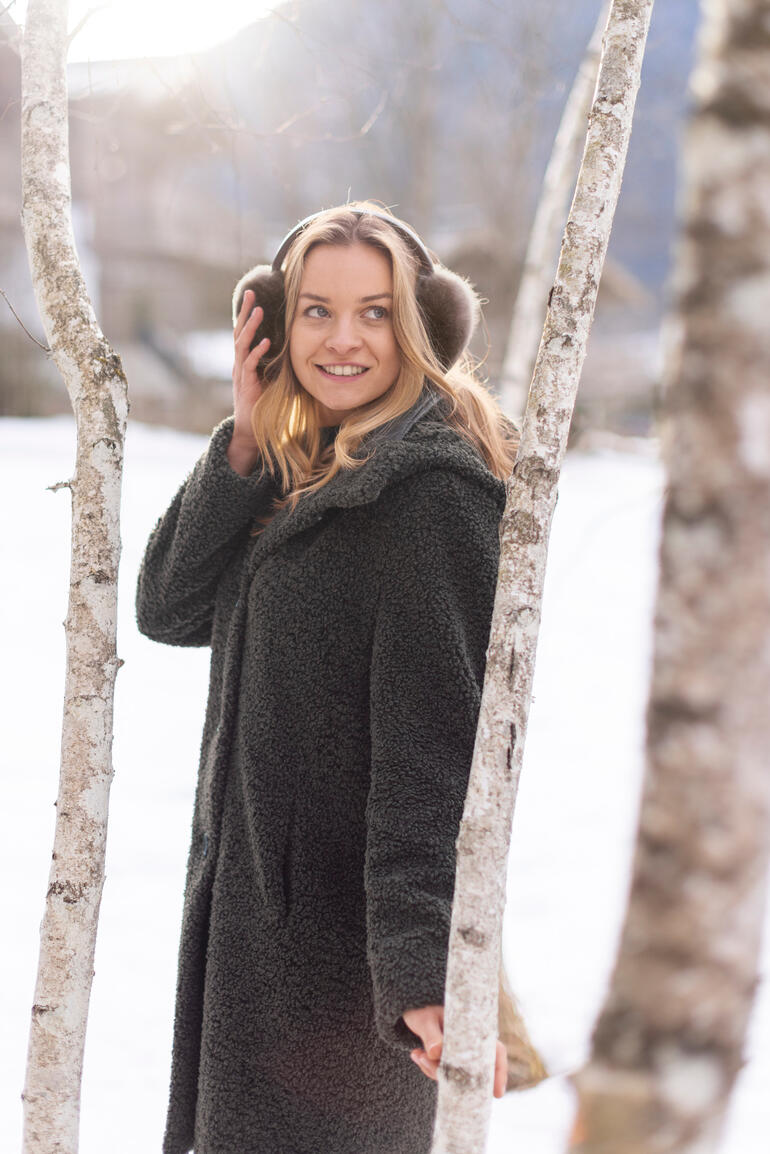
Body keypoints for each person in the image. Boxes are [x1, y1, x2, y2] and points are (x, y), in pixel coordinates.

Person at [136, 201, 519, 1154]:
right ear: (272, 322)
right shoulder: (298, 469)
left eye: (377, 311)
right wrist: (242, 441)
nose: (343, 338)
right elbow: (167, 608)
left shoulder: (431, 497)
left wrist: (426, 973)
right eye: (315, 310)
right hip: (256, 947)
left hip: (343, 985)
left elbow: (434, 755)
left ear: (422, 326)